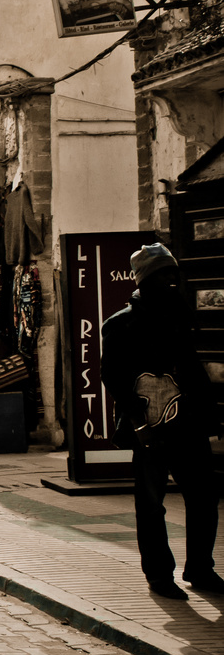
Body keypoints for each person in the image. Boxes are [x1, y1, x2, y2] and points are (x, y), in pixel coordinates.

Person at [103, 243, 224, 599]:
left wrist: (210, 416)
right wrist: (139, 425)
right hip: (150, 428)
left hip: (189, 424)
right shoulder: (122, 324)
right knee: (152, 505)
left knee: (204, 498)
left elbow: (192, 371)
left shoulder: (181, 315)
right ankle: (159, 575)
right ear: (145, 279)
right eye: (162, 274)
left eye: (173, 272)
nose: (171, 279)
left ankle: (201, 569)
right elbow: (113, 377)